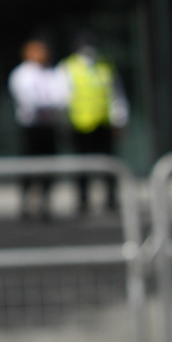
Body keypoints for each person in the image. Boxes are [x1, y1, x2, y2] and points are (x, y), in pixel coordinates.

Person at [61, 33, 128, 216]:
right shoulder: (68, 67)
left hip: (103, 123)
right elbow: (62, 98)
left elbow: (116, 95)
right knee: (82, 166)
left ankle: (111, 198)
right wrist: (64, 121)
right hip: (80, 124)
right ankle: (83, 200)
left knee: (108, 164)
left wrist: (119, 119)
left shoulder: (105, 66)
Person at [7, 39, 67, 222]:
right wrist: (48, 104)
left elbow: (61, 97)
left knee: (49, 166)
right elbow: (29, 101)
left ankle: (45, 202)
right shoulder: (21, 74)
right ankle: (26, 202)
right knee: (29, 166)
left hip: (48, 126)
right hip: (30, 127)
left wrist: (50, 105)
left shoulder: (52, 73)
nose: (42, 54)